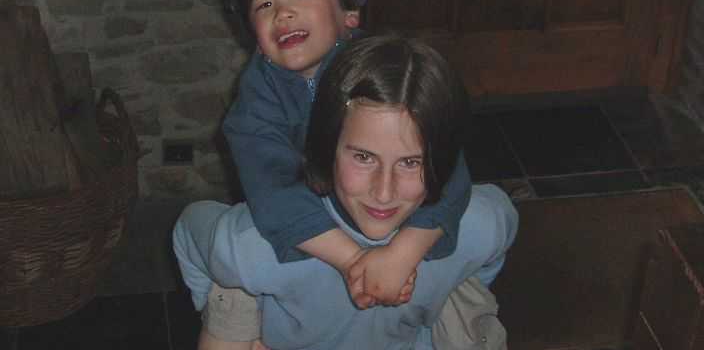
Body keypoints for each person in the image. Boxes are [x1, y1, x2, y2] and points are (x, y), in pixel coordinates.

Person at [173, 35, 519, 349]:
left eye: (410, 162)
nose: (384, 192)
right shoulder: (259, 248)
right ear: (328, 146)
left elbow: (190, 232)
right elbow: (189, 234)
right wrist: (235, 317)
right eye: (364, 157)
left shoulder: (478, 227)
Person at [221, 0, 473, 312]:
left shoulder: (384, 74)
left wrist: (406, 251)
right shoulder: (256, 100)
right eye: (264, 4)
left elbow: (448, 166)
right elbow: (270, 187)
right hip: (314, 226)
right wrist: (355, 262)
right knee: (236, 258)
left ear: (349, 15)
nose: (282, 13)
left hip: (393, 213)